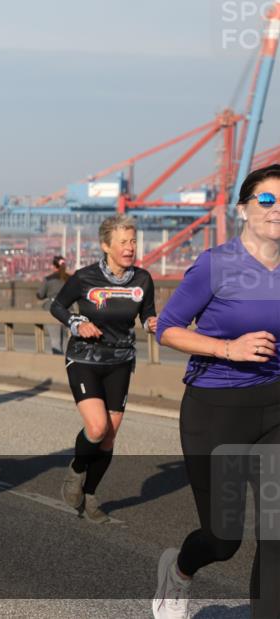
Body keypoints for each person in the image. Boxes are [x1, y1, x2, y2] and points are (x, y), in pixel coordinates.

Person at [151, 165, 280, 619]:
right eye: (266, 200)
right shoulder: (216, 264)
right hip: (216, 409)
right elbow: (167, 330)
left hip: (275, 406)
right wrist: (229, 348)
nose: (277, 209)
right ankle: (180, 572)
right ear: (243, 208)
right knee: (223, 538)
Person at [50, 214, 157, 524]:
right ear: (106, 245)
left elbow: (147, 315)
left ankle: (92, 494)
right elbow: (57, 305)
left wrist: (153, 324)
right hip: (85, 358)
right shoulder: (85, 278)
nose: (130, 247)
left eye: (133, 241)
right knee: (96, 428)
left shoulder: (143, 280)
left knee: (109, 437)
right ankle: (76, 471)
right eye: (123, 242)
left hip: (121, 361)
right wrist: (76, 322)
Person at [37, 256, 70, 354]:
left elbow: (40, 295)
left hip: (53, 310)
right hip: (68, 310)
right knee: (65, 340)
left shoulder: (49, 279)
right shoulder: (70, 279)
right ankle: (66, 363)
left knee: (55, 340)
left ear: (54, 266)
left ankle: (57, 363)